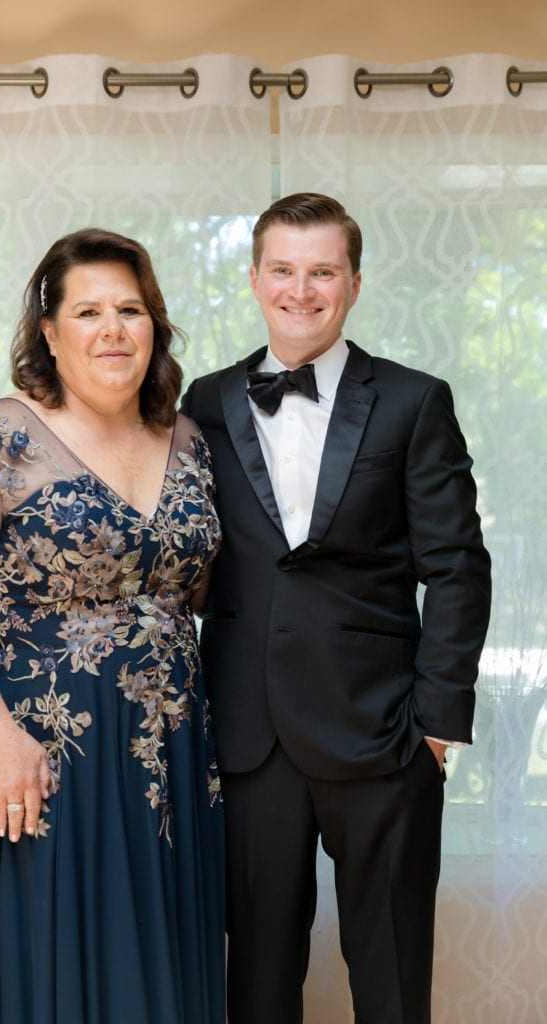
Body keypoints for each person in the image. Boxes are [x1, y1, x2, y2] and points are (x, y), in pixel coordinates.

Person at [0, 228, 225, 1024]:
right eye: (88, 311)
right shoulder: (1, 438)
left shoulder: (190, 442)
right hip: (33, 755)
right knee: (44, 983)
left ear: (155, 325)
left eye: (130, 310)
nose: (112, 330)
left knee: (158, 982)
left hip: (169, 763)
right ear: (49, 329)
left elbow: (204, 594)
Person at [181, 193, 492, 1024]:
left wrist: (436, 723)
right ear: (254, 279)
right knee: (255, 980)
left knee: (391, 978)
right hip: (246, 735)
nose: (301, 289)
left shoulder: (413, 400)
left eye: (322, 271)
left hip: (383, 728)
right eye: (282, 269)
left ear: (353, 282)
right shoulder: (201, 405)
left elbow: (457, 566)